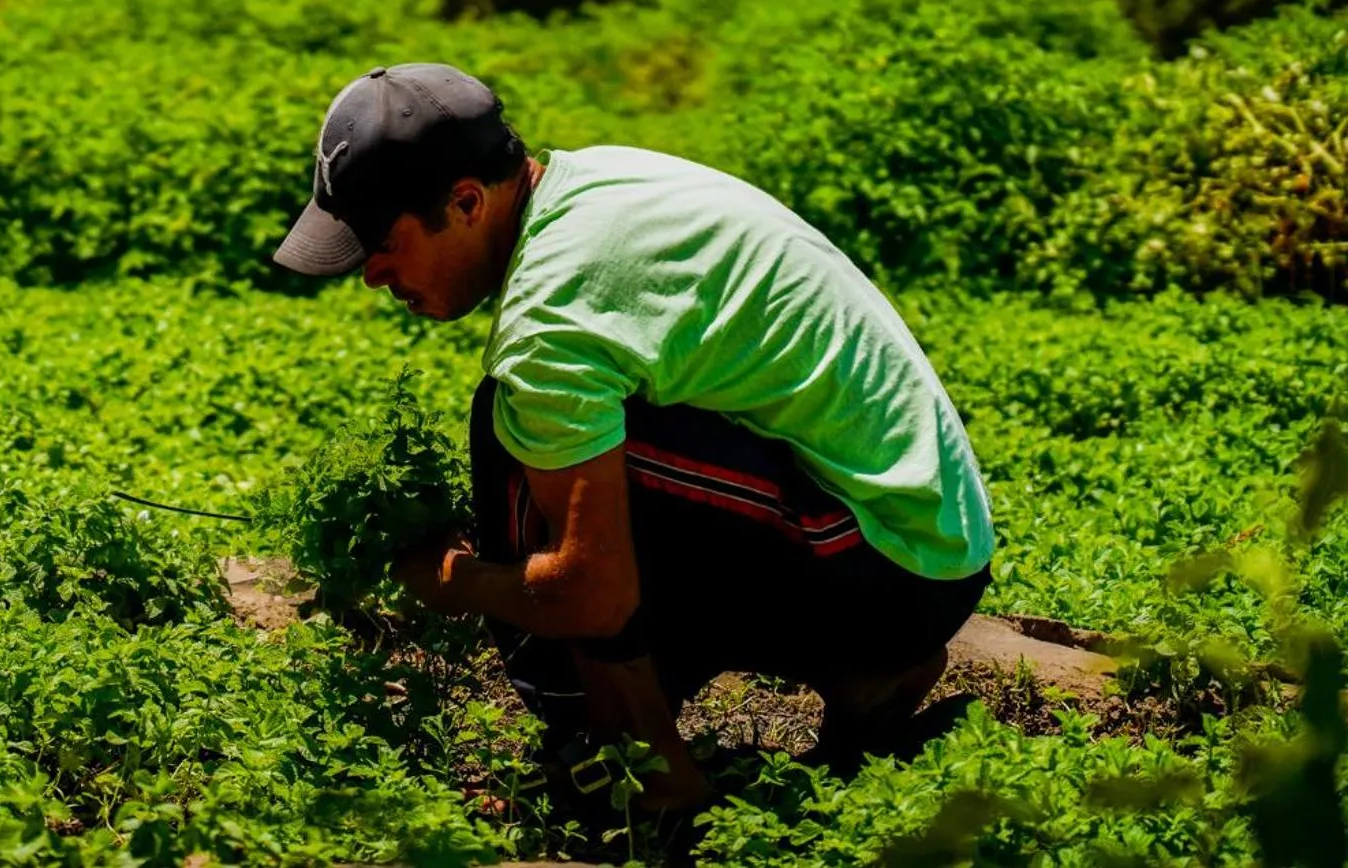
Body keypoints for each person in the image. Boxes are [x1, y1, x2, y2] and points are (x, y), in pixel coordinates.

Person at [272, 63, 994, 815]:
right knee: (560, 446)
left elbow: (591, 590)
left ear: (465, 202)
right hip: (925, 542)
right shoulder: (599, 179)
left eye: (382, 242)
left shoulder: (551, 321)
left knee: (522, 452)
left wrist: (450, 577)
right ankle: (862, 677)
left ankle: (640, 759)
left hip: (887, 565)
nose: (372, 275)